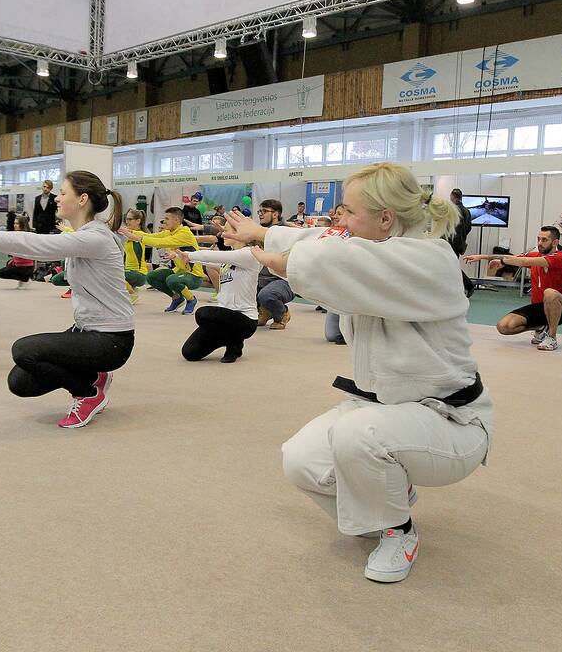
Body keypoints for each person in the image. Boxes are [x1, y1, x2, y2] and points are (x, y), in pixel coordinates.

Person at [224, 162, 491, 585]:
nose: (338, 220)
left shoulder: (430, 259)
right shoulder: (377, 245)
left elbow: (333, 250)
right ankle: (389, 500)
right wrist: (263, 234)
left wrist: (277, 255)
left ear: (386, 218)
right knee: (301, 461)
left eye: (347, 211)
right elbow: (329, 239)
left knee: (358, 435)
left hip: (451, 422)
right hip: (388, 411)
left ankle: (397, 531)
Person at [0, 171, 133, 428]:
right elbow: (35, 245)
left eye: (63, 193)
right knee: (20, 382)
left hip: (111, 340)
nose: (58, 199)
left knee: (24, 350)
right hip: (86, 331)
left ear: (82, 199)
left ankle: (88, 393)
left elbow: (34, 243)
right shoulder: (84, 235)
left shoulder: (95, 237)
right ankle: (95, 374)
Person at [466, 226, 562, 351]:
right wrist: (485, 257)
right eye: (538, 239)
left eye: (544, 240)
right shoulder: (535, 256)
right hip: (540, 307)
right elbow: (515, 258)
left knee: (549, 293)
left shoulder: (561, 257)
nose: (540, 243)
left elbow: (522, 261)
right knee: (504, 326)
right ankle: (540, 328)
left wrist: (503, 262)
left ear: (555, 242)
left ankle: (552, 337)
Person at [172, 221, 262, 363]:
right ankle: (229, 339)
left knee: (203, 314)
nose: (221, 234)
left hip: (245, 320)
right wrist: (180, 256)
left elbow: (212, 256)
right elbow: (212, 261)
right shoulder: (232, 256)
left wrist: (189, 255)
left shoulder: (250, 254)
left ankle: (235, 344)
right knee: (190, 353)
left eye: (226, 230)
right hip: (224, 318)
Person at [121, 207, 206, 315]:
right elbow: (152, 236)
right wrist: (131, 231)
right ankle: (177, 298)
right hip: (179, 271)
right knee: (151, 277)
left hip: (194, 275)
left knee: (172, 280)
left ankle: (191, 299)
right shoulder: (170, 232)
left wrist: (136, 237)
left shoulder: (184, 233)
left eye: (167, 218)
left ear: (176, 220)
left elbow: (160, 242)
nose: (164, 221)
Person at [255, 199, 295, 329]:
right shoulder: (259, 231)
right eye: (259, 211)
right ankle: (265, 311)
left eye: (264, 211)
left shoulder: (287, 232)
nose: (260, 214)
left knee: (267, 295)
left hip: (284, 279)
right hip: (263, 278)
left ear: (275, 214)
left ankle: (282, 313)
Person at [0, 215, 35, 289]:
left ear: (22, 224)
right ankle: (23, 279)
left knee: (1, 273)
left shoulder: (27, 236)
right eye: (14, 223)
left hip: (27, 267)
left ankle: (26, 279)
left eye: (17, 223)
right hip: (19, 265)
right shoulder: (15, 235)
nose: (15, 225)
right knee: (4, 269)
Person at [120, 210, 150, 304]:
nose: (127, 221)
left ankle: (132, 293)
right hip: (131, 272)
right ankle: (131, 289)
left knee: (112, 274)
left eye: (130, 219)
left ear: (138, 221)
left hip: (139, 274)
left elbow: (127, 235)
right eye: (126, 219)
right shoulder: (129, 233)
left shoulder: (138, 234)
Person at [449, 188, 474, 297]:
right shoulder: (467, 211)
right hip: (460, 243)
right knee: (452, 265)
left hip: (451, 242)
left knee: (451, 265)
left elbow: (449, 227)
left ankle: (468, 284)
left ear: (452, 196)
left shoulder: (453, 210)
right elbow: (469, 227)